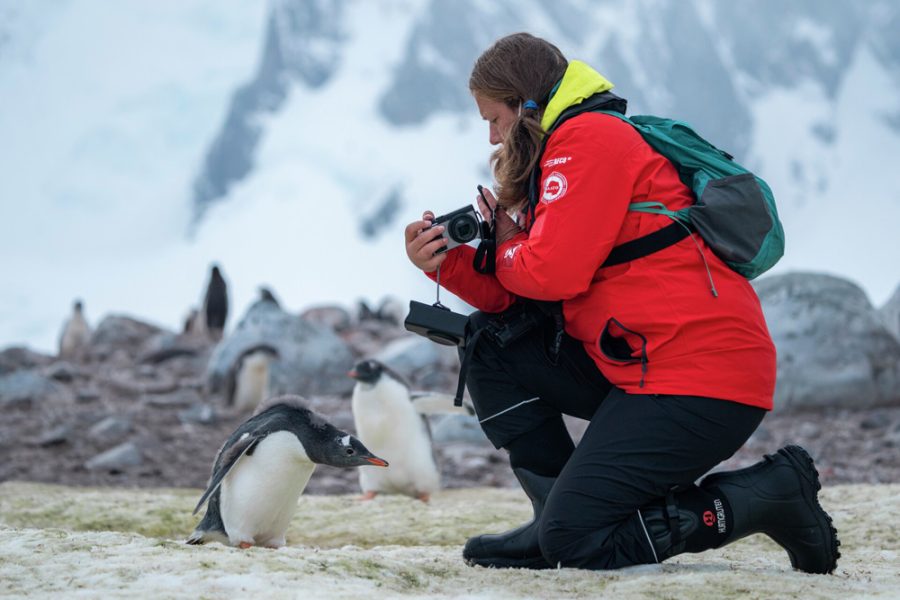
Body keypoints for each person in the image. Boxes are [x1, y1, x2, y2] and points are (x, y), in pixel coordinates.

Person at [403, 32, 840, 572]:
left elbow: (551, 271)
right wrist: (443, 262)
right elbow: (514, 293)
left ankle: (766, 495)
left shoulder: (589, 139)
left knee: (581, 541)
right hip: (640, 365)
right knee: (490, 342)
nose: (491, 135)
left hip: (701, 378)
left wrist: (510, 240)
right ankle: (554, 513)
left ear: (525, 104)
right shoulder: (561, 155)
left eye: (495, 118)